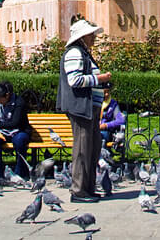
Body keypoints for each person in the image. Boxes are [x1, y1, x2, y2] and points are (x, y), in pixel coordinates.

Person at [57, 19, 111, 203]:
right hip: (81, 108)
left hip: (89, 108)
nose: (94, 38)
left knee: (92, 147)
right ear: (83, 36)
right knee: (82, 148)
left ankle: (88, 187)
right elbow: (75, 80)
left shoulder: (84, 53)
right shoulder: (74, 53)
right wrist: (100, 79)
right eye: (91, 35)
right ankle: (78, 191)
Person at [0, 81, 30, 179]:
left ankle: (19, 173)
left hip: (18, 131)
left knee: (19, 140)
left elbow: (15, 123)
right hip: (3, 132)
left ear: (7, 95)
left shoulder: (19, 103)